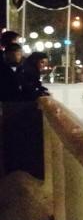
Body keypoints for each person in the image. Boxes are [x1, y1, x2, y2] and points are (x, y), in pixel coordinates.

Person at [0, 44, 44, 178]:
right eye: (13, 54)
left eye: (18, 54)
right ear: (6, 55)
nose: (16, 57)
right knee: (8, 138)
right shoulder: (3, 70)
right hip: (9, 105)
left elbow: (29, 85)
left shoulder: (24, 69)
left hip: (22, 106)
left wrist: (37, 92)